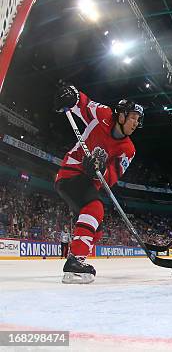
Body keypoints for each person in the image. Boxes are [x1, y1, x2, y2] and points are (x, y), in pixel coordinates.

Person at [53, 85, 143, 284]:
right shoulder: (103, 114)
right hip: (71, 172)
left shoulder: (129, 149)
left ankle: (78, 259)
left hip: (89, 183)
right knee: (95, 208)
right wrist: (71, 95)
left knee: (98, 229)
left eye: (138, 120)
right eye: (133, 118)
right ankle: (74, 261)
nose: (136, 123)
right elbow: (81, 103)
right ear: (121, 115)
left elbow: (113, 176)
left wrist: (101, 169)